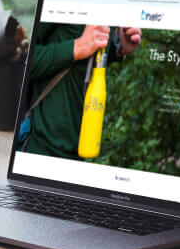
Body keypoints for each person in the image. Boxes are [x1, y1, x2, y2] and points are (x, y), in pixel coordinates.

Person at [23, 23, 141, 159]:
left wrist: (118, 48)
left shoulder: (115, 8)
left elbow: (86, 65)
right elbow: (19, 60)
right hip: (38, 151)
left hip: (80, 153)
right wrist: (77, 47)